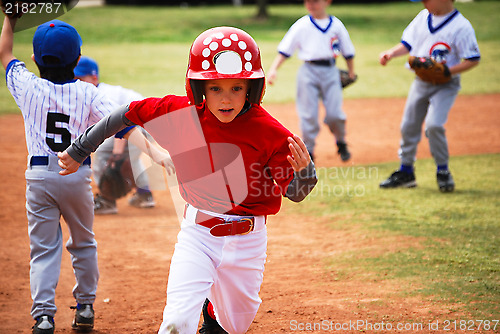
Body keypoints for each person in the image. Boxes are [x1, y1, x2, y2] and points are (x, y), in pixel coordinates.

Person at [58, 27, 318, 334]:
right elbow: (126, 114)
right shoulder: (180, 112)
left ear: (251, 88)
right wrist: (80, 148)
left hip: (249, 241)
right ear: (199, 88)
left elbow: (295, 193)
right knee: (177, 322)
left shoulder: (271, 132)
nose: (226, 98)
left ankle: (212, 314)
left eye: (236, 88)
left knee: (234, 326)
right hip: (199, 235)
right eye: (215, 88)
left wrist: (306, 175)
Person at [0, 17, 118, 334]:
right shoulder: (88, 93)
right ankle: (86, 308)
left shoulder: (26, 85)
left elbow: (5, 53)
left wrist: (10, 18)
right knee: (83, 243)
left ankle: (43, 316)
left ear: (36, 58)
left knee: (43, 248)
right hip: (77, 175)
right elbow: (117, 121)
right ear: (78, 60)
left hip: (38, 176)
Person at [378, 0, 480, 192]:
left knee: (434, 125)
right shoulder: (422, 17)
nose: (424, 2)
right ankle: (406, 171)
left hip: (446, 85)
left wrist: (448, 71)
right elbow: (407, 44)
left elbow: (473, 59)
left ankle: (443, 171)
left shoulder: (461, 26)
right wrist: (391, 53)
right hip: (421, 82)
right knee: (409, 125)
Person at [267, 0, 356, 163]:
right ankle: (309, 150)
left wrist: (351, 71)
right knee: (308, 114)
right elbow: (285, 50)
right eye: (307, 1)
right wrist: (273, 69)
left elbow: (348, 51)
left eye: (315, 1)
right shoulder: (301, 25)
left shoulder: (336, 25)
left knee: (335, 114)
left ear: (327, 2)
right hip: (308, 71)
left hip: (331, 71)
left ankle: (341, 141)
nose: (310, 4)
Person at [74, 56, 156, 214]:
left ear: (94, 77)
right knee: (130, 156)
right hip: (149, 123)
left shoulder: (102, 94)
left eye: (80, 78)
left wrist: (117, 154)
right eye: (74, 79)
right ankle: (144, 195)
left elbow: (122, 124)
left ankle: (107, 200)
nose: (76, 83)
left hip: (141, 123)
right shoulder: (96, 92)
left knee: (105, 152)